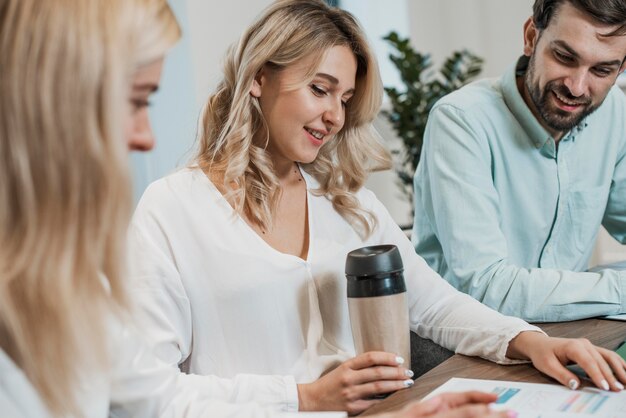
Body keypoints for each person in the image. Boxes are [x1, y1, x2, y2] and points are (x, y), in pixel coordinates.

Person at [127, 0, 626, 416]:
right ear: (258, 78)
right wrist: (304, 398)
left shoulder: (347, 205)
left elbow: (435, 305)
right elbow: (145, 395)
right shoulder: (172, 208)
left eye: (344, 99)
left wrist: (531, 342)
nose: (334, 116)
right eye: (320, 89)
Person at [412, 0, 626, 323]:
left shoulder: (613, 113)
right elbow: (486, 289)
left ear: (621, 70)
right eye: (565, 57)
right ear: (530, 37)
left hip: (568, 331)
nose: (577, 87)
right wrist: (618, 289)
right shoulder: (460, 122)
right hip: (465, 343)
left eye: (602, 70)